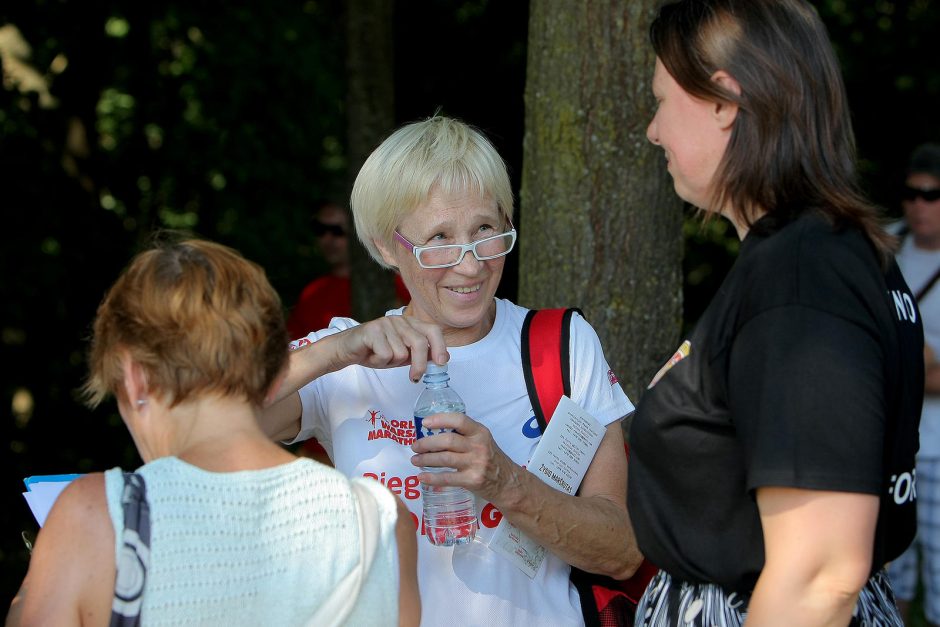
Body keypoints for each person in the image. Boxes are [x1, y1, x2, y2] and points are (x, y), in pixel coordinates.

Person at [263, 114, 643, 626]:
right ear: (385, 246)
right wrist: (334, 350)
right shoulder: (348, 357)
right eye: (439, 239)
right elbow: (207, 422)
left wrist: (505, 481)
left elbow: (620, 551)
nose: (470, 265)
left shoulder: (563, 346)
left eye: (485, 230)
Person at [626, 1, 923, 625]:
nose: (653, 130)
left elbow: (818, 576)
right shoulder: (825, 255)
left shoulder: (801, 274)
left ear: (724, 101)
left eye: (660, 100)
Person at [6, 238, 419, 627]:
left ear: (134, 379)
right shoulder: (382, 522)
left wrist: (32, 593)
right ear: (274, 363)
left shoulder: (93, 517)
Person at [887, 142, 940, 627]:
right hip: (892, 444)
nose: (920, 204)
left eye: (933, 194)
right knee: (886, 579)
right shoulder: (883, 245)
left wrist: (908, 362)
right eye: (912, 193)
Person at [286, 200, 410, 339]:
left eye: (337, 231)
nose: (328, 239)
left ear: (357, 234)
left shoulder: (398, 284)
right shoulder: (312, 292)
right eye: (320, 230)